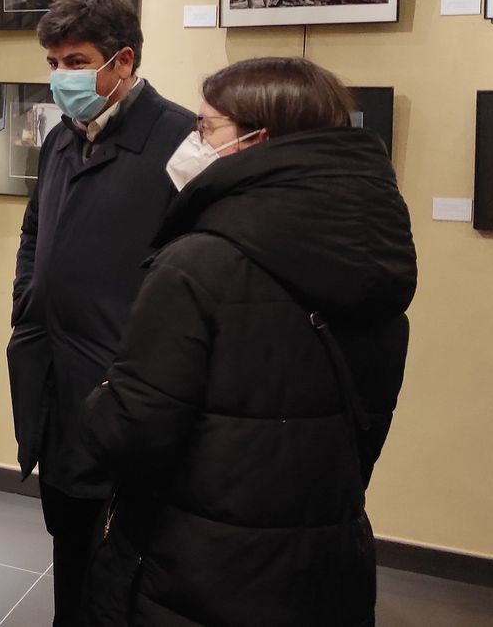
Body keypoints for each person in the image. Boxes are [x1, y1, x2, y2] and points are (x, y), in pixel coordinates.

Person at [78, 57, 415, 626]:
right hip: (325, 558)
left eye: (206, 128)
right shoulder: (375, 253)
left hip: (197, 567)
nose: (192, 142)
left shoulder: (198, 263)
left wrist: (100, 399)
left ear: (258, 140)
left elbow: (130, 431)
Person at [8, 0, 194, 624]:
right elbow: (35, 230)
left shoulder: (181, 142)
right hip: (55, 381)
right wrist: (27, 301)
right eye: (54, 62)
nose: (63, 77)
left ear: (122, 62)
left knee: (121, 570)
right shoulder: (61, 139)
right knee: (69, 547)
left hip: (126, 390)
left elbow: (196, 265)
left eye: (77, 60)